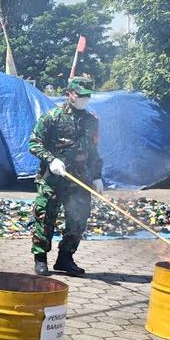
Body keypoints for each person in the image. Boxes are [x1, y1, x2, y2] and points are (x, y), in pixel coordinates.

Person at [28, 76, 103, 277]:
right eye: (80, 95)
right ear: (69, 94)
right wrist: (50, 159)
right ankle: (41, 258)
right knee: (45, 218)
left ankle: (66, 259)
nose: (84, 99)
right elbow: (34, 143)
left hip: (80, 179)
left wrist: (97, 176)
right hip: (53, 179)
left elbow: (94, 151)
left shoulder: (91, 121)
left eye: (87, 96)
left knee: (78, 219)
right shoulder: (52, 117)